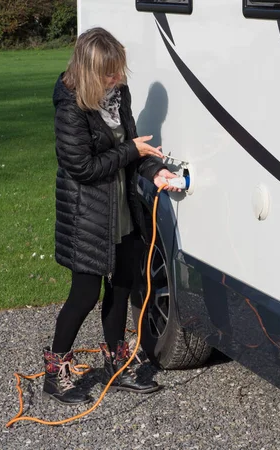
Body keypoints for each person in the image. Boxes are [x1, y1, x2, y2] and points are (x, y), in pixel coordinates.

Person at [44, 27, 179, 405]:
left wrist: (156, 170)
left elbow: (134, 148)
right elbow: (82, 166)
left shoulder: (119, 96)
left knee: (121, 287)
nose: (117, 78)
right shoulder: (70, 106)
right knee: (84, 295)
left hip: (122, 208)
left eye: (118, 70)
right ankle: (55, 373)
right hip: (86, 214)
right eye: (108, 72)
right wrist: (133, 153)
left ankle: (116, 366)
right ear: (88, 72)